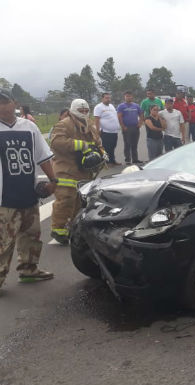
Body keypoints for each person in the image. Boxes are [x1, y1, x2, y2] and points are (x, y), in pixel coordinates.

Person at [0, 89, 57, 288]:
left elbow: (43, 156)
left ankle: (29, 269)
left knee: (32, 236)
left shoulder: (29, 127)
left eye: (5, 102)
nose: (2, 106)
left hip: (28, 193)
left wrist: (53, 180)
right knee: (4, 242)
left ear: (14, 103)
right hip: (4, 198)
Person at [49, 99, 106, 245]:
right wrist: (81, 145)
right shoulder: (64, 124)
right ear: (73, 110)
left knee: (80, 201)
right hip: (66, 168)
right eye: (81, 111)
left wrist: (101, 152)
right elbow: (56, 142)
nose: (84, 113)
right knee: (66, 198)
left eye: (86, 111)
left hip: (84, 170)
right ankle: (58, 229)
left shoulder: (90, 125)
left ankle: (75, 227)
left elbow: (97, 141)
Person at [116, 91, 144, 165]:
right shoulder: (121, 106)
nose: (128, 97)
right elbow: (119, 117)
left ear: (132, 97)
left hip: (135, 127)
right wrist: (123, 126)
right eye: (127, 96)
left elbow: (141, 114)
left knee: (135, 144)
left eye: (130, 96)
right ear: (124, 97)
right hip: (126, 128)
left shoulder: (136, 106)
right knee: (127, 144)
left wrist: (140, 123)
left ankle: (135, 159)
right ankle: (127, 159)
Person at [93, 92, 121, 165]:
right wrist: (98, 130)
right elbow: (96, 120)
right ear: (102, 98)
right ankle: (106, 162)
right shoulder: (98, 107)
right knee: (106, 148)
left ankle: (112, 160)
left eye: (109, 98)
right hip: (106, 132)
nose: (108, 99)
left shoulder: (111, 106)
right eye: (106, 98)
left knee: (112, 147)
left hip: (114, 132)